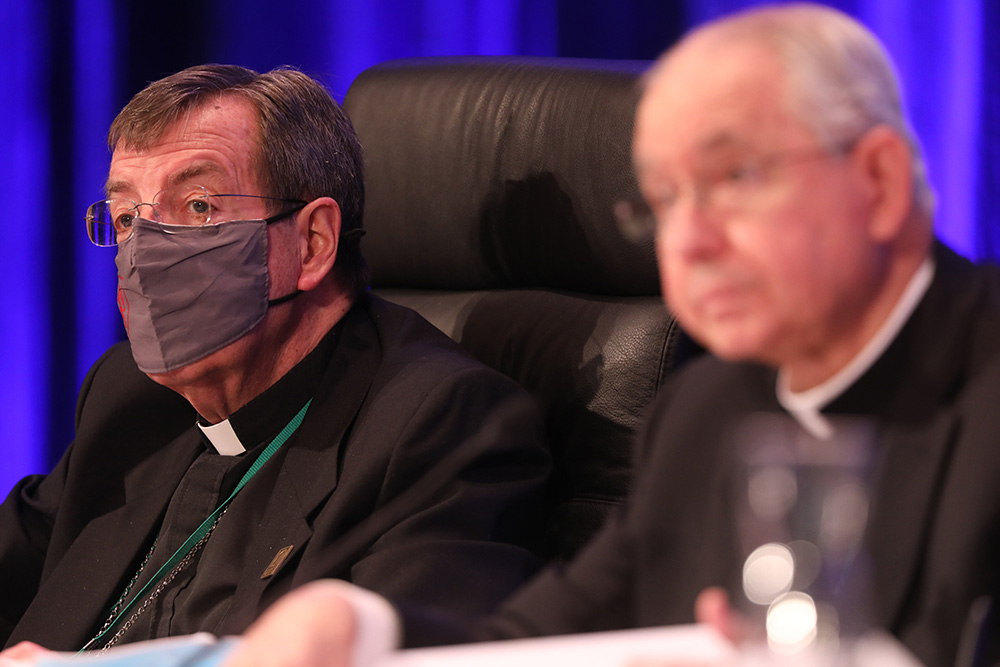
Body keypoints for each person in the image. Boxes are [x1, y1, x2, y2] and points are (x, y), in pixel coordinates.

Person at [214, 4, 999, 667]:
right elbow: (536, 643)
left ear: (880, 182)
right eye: (661, 200)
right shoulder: (701, 412)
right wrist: (361, 628)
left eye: (732, 179)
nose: (687, 242)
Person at [0, 64, 551, 653]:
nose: (143, 253)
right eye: (128, 219)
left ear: (312, 243)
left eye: (199, 206)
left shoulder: (440, 426)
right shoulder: (128, 396)